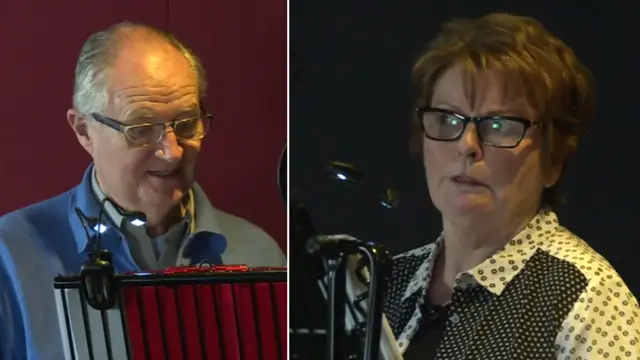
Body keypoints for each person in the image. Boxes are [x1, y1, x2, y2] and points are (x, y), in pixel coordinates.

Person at [341, 13, 639, 360]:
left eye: (499, 125)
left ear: (553, 159)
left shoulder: (586, 298)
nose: (467, 144)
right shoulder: (384, 284)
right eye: (448, 119)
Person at [0, 22, 285, 359]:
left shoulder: (259, 254)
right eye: (141, 129)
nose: (172, 152)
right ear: (84, 131)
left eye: (186, 124)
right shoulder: (11, 254)